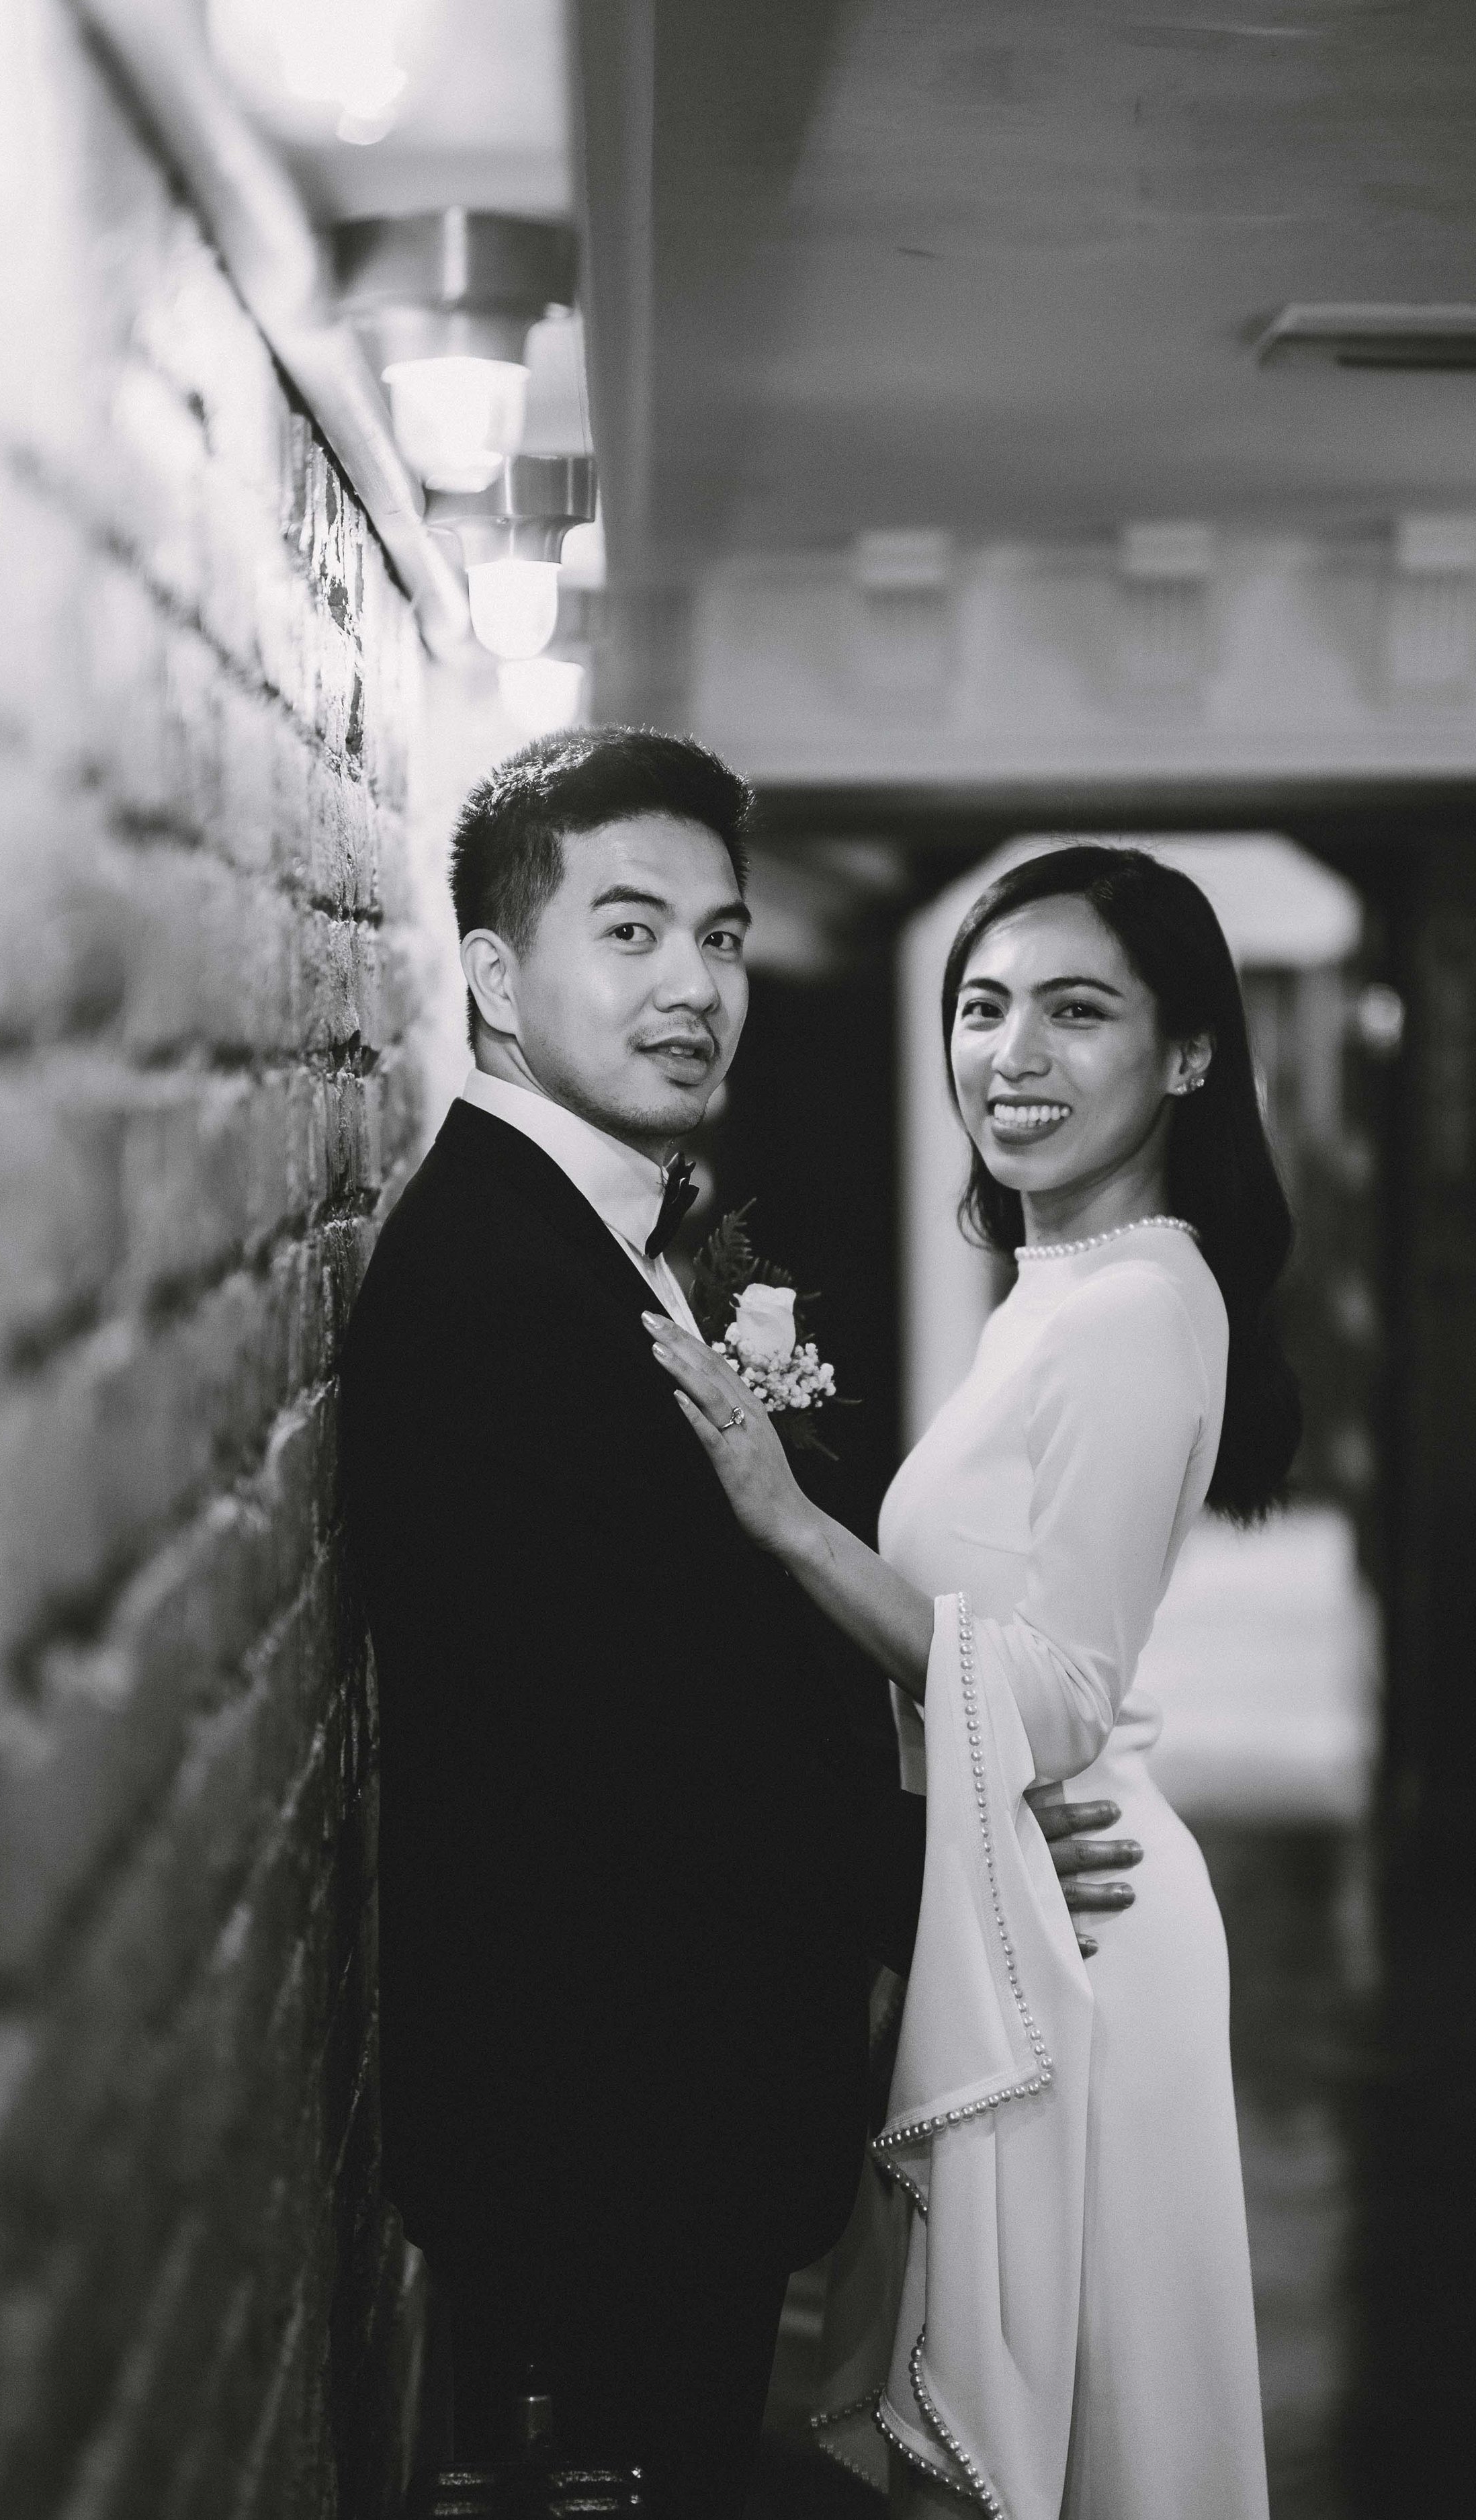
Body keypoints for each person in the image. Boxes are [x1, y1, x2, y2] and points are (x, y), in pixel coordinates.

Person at [338, 734, 1129, 2519]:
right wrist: (975, 1853)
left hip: (647, 2106)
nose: (694, 984)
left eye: (719, 936)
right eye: (629, 931)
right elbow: (645, 1751)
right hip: (592, 2124)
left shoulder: (583, 1229)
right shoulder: (497, 1279)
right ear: (490, 969)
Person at [646, 844, 1297, 2520]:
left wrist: (787, 1527)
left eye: (1075, 1013)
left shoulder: (1135, 1306)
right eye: (981, 1006)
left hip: (1074, 1940)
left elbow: (1061, 1693)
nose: (1009, 1055)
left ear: (1187, 1056)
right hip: (1016, 1889)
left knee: (1022, 2464)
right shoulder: (1062, 1289)